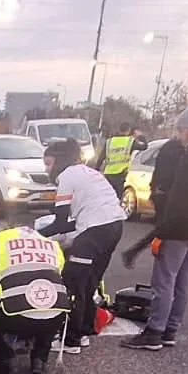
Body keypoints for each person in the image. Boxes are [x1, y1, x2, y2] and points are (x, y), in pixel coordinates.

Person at [122, 105, 188, 351]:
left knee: (164, 280)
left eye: (181, 130)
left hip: (179, 227)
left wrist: (162, 229)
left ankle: (154, 332)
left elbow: (180, 195)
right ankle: (171, 329)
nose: (180, 136)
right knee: (183, 278)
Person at [36, 138, 125, 353]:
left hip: (95, 231)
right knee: (89, 283)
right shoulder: (89, 172)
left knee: (73, 282)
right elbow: (76, 221)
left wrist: (35, 234)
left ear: (58, 161)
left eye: (48, 163)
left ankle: (71, 340)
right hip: (115, 227)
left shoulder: (66, 176)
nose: (47, 168)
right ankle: (84, 331)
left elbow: (59, 223)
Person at [0, 223, 72, 374]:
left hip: (12, 316)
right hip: (55, 315)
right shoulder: (51, 245)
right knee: (49, 305)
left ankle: (3, 359)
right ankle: (39, 358)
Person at [121, 135, 186, 268]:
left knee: (162, 228)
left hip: (159, 191)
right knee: (164, 229)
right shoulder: (178, 150)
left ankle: (136, 252)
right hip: (165, 194)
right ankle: (136, 252)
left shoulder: (168, 147)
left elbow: (159, 170)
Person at [100, 124, 137, 199]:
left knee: (107, 197)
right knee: (117, 197)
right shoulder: (130, 141)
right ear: (129, 130)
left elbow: (101, 157)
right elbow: (144, 146)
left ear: (119, 130)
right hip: (120, 174)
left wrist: (96, 169)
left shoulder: (109, 141)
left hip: (108, 174)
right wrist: (140, 136)